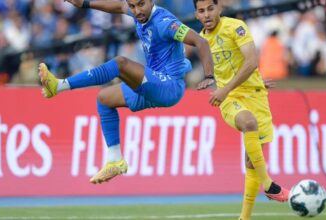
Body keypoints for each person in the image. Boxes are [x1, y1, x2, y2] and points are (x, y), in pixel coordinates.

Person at [38, 0, 215, 184]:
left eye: (140, 4)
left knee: (120, 63)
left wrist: (209, 76)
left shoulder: (164, 22)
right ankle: (115, 159)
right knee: (104, 99)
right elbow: (117, 6)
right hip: (153, 83)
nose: (136, 10)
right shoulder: (137, 11)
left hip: (169, 86)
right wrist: (85, 4)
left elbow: (200, 41)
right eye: (132, 6)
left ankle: (60, 85)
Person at [193, 0, 289, 219]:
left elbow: (251, 62)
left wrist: (253, 82)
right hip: (228, 98)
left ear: (219, 8)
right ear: (196, 15)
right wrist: (223, 90)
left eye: (210, 8)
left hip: (255, 96)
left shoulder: (236, 26)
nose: (207, 14)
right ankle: (269, 184)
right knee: (248, 122)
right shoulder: (201, 41)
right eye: (201, 11)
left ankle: (244, 217)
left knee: (251, 162)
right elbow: (220, 71)